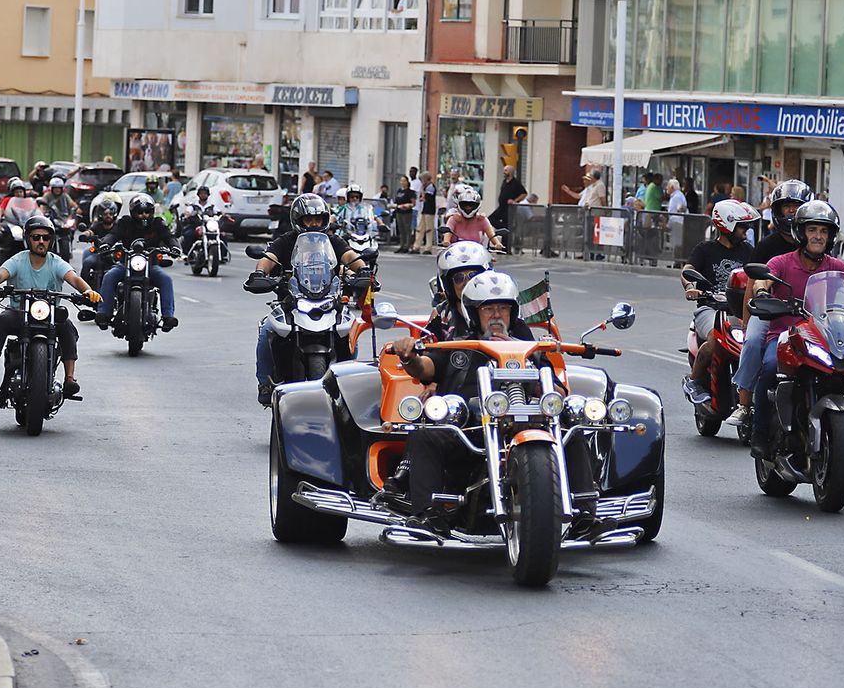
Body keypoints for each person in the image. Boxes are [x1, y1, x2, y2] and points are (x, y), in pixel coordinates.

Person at [388, 271, 594, 519]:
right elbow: (425, 367)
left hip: (523, 426)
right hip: (468, 435)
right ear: (475, 314)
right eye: (488, 309)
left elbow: (556, 392)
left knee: (571, 430)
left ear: (512, 313)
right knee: (425, 435)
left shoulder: (530, 349)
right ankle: (426, 516)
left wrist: (534, 373)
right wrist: (408, 356)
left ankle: (585, 514)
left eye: (503, 309)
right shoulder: (458, 346)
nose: (496, 315)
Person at [748, 200, 844, 456]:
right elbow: (763, 279)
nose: (818, 236)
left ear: (831, 236)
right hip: (786, 335)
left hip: (822, 334)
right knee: (768, 368)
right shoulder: (782, 261)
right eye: (812, 230)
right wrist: (763, 291)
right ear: (801, 232)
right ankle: (760, 432)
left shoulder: (834, 265)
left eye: (823, 231)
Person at [244, 193, 369, 404]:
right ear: (298, 220)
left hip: (329, 301)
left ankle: (349, 379)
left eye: (318, 219)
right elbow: (268, 259)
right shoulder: (287, 240)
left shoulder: (333, 241)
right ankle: (264, 382)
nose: (313, 223)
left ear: (324, 220)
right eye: (308, 219)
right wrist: (260, 274)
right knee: (267, 330)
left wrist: (363, 271)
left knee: (350, 331)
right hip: (291, 302)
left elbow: (350, 256)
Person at [0, 214, 100, 397]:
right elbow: (1, 274)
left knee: (67, 328)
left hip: (50, 315)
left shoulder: (56, 262)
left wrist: (88, 291)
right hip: (19, 312)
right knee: (1, 322)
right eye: (36, 237)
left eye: (46, 237)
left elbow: (74, 278)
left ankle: (70, 378)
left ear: (51, 240)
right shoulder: (18, 260)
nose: (41, 241)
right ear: (28, 240)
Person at [728, 179, 811, 414]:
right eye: (787, 206)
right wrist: (746, 321)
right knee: (753, 342)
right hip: (769, 313)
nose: (791, 211)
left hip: (806, 313)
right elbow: (752, 285)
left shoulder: (817, 245)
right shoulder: (766, 246)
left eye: (797, 206)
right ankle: (744, 403)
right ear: (777, 210)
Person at [682, 200, 759, 407]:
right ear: (727, 225)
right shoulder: (705, 249)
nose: (746, 231)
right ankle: (694, 381)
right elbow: (687, 270)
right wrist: (691, 287)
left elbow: (761, 274)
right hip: (710, 308)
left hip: (742, 310)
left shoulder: (749, 251)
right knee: (715, 339)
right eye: (742, 227)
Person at [95, 193, 178, 332]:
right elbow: (113, 235)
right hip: (126, 264)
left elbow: (169, 237)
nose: (143, 215)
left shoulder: (158, 223)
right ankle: (103, 313)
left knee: (166, 279)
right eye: (140, 212)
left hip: (151, 265)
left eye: (147, 212)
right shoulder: (125, 222)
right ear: (133, 213)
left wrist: (175, 247)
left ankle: (168, 316)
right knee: (109, 276)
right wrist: (105, 244)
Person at [426, 241, 498, 341]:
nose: (467, 282)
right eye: (459, 278)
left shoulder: (502, 309)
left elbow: (523, 347)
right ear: (449, 284)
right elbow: (426, 351)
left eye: (474, 275)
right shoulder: (442, 314)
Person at [491, 164, 527, 231]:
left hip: (509, 208)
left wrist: (515, 201)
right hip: (502, 206)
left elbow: (524, 194)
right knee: (491, 219)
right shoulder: (504, 181)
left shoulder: (516, 183)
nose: (504, 172)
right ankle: (505, 229)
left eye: (506, 170)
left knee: (507, 222)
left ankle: (507, 232)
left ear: (510, 172)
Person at [391, 175, 417, 252]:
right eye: (401, 181)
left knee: (407, 229)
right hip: (399, 211)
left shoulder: (410, 192)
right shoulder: (399, 191)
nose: (402, 182)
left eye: (404, 181)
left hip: (407, 212)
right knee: (401, 229)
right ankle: (401, 245)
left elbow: (413, 203)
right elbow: (396, 201)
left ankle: (407, 245)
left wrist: (407, 205)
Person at [415, 171, 439, 252]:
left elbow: (425, 198)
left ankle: (428, 247)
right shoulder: (425, 187)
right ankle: (416, 245)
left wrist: (422, 191)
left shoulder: (430, 187)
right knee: (420, 228)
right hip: (424, 210)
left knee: (429, 229)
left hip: (429, 210)